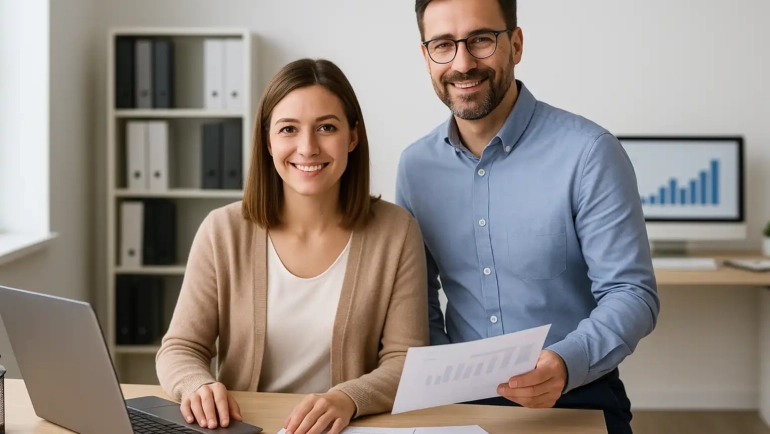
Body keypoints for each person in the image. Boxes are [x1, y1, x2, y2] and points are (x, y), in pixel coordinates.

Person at [395, 0, 661, 433]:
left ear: (515, 44)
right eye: (443, 45)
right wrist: (440, 380)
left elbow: (632, 293)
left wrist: (565, 362)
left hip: (576, 392)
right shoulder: (415, 167)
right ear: (426, 57)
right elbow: (416, 300)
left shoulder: (589, 153)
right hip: (458, 402)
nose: (462, 63)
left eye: (481, 40)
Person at [156, 58, 429, 434]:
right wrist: (197, 385)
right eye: (288, 129)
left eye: (326, 128)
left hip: (346, 428)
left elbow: (405, 360)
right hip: (243, 426)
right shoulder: (222, 231)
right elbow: (180, 347)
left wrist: (348, 398)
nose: (308, 147)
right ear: (268, 141)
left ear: (352, 136)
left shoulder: (396, 232)